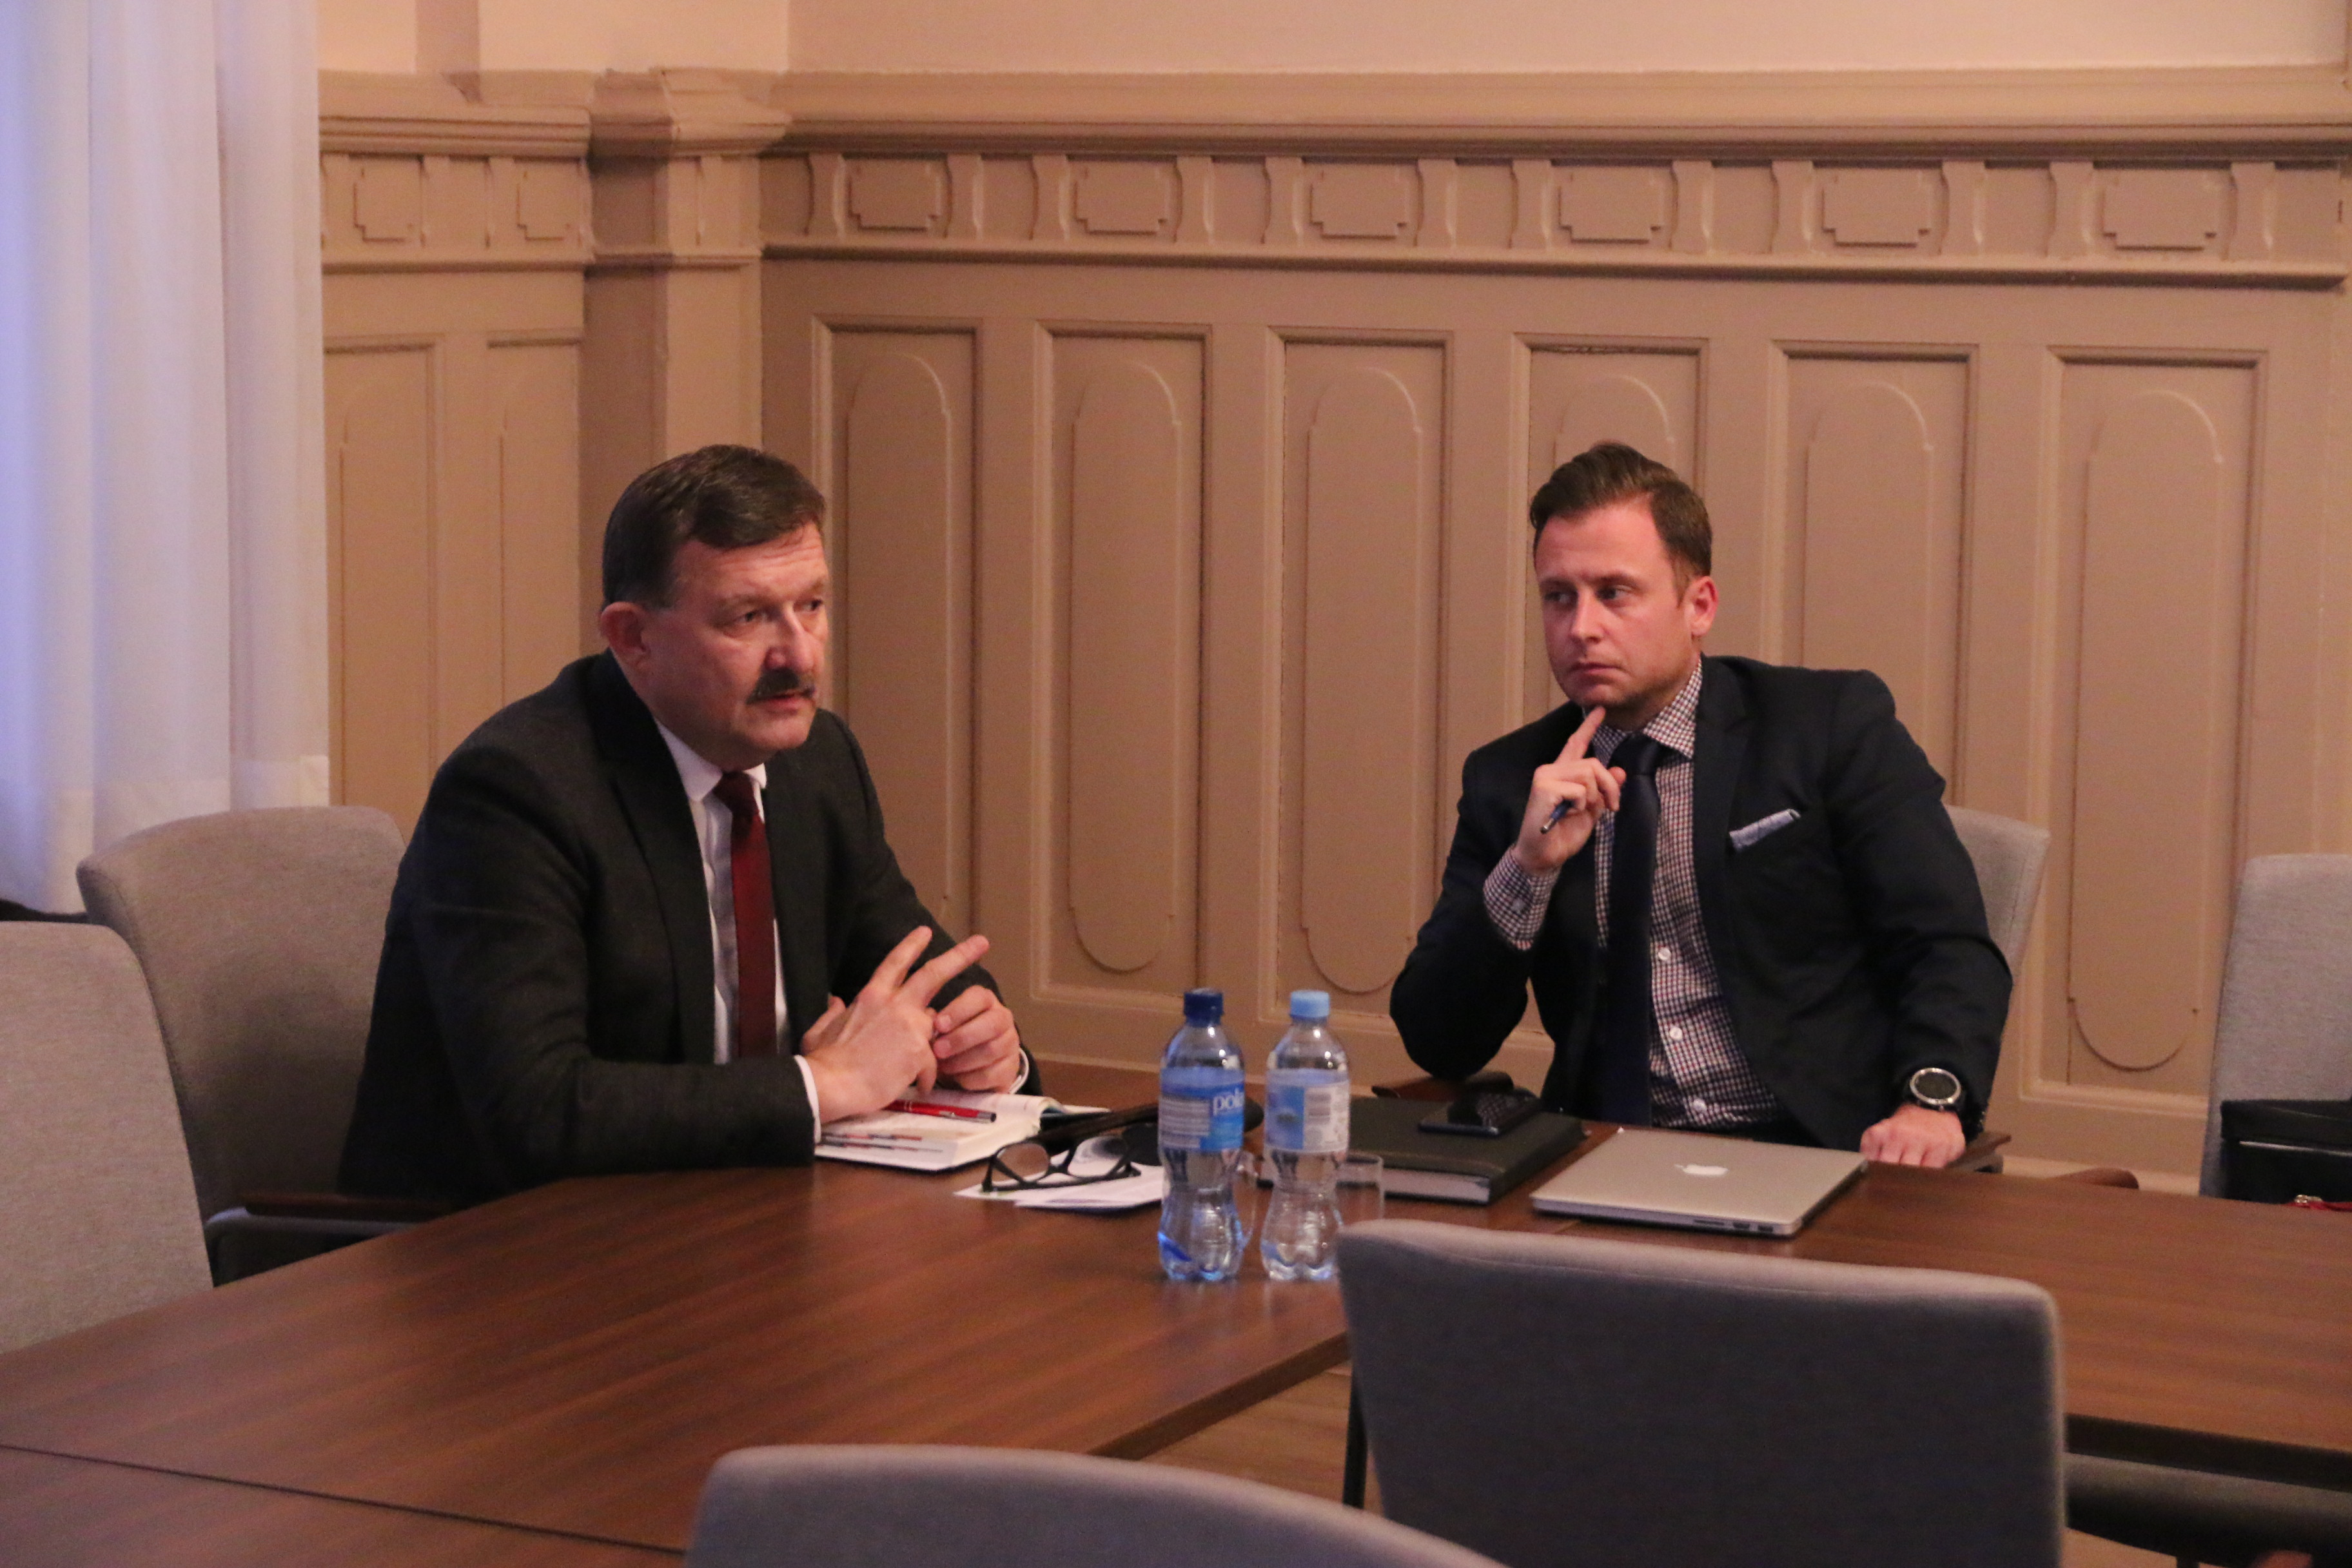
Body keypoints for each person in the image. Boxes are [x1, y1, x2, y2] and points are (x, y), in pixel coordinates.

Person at [341, 445, 1032, 1203]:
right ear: (633, 637)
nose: (798, 654)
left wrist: (979, 1042)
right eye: (750, 616)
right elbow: (539, 1111)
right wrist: (821, 1084)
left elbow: (910, 967)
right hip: (507, 1240)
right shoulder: (516, 793)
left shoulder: (817, 761)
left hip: (739, 1208)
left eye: (811, 605)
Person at [1389, 443, 2006, 1167]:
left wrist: (1931, 1103)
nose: (1581, 627)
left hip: (1820, 1151)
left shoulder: (1826, 727)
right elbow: (1440, 1041)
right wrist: (1527, 868)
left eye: (1614, 593)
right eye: (1559, 596)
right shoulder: (1511, 779)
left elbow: (1945, 944)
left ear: (1699, 606)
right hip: (1604, 1157)